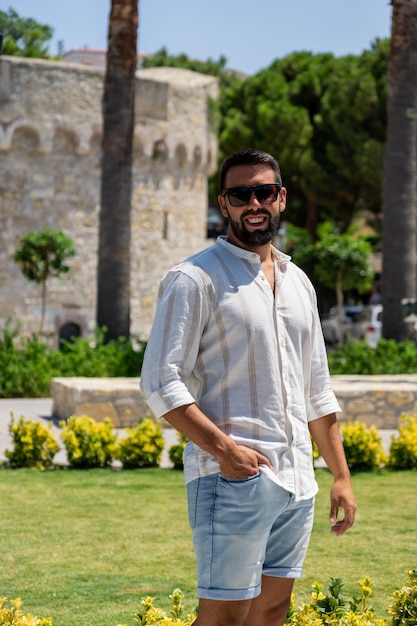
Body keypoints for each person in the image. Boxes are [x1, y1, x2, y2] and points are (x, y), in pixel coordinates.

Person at [140, 148, 357, 626]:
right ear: (224, 203)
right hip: (232, 478)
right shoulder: (193, 278)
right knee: (224, 618)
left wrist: (339, 476)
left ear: (281, 199)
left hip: (298, 479)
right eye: (241, 194)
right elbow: (159, 380)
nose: (253, 203)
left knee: (273, 610)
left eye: (264, 192)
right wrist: (226, 452)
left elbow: (316, 389)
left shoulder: (299, 282)